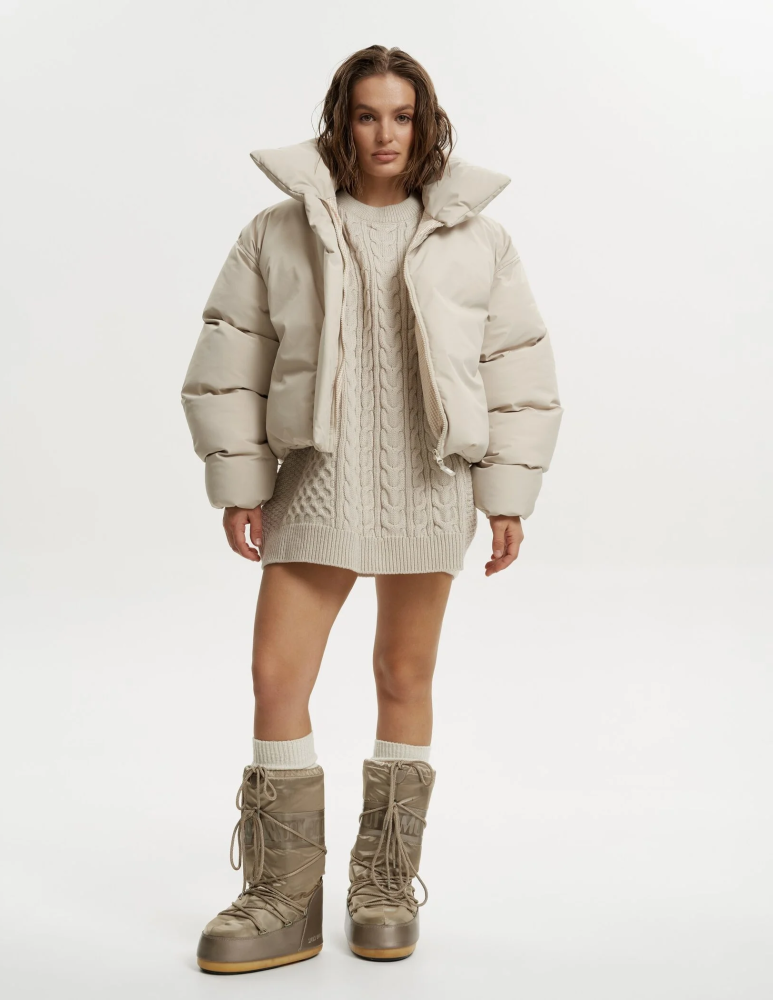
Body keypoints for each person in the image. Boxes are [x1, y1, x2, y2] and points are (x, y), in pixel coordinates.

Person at [180, 45, 563, 973]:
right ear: (341, 121)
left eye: (402, 115)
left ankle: (385, 884)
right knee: (277, 675)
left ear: (424, 123)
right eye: (366, 115)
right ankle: (283, 896)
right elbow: (232, 358)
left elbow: (514, 367)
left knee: (403, 673)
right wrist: (242, 484)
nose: (385, 134)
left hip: (429, 484)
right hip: (317, 481)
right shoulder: (279, 230)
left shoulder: (478, 238)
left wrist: (507, 497)